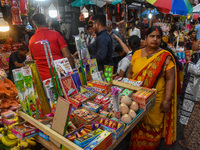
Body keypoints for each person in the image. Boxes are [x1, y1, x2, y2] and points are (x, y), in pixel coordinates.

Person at [127, 26, 177, 150]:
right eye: (152, 36)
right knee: (136, 122)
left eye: (158, 37)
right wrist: (129, 89)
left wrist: (167, 100)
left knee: (153, 125)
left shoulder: (165, 56)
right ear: (145, 38)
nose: (155, 39)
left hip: (156, 99)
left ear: (161, 39)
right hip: (136, 97)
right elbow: (129, 72)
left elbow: (170, 79)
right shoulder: (137, 53)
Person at [29, 13, 74, 81]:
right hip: (60, 75)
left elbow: (33, 59)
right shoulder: (56, 34)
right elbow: (67, 56)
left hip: (43, 79)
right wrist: (72, 72)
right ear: (46, 23)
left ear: (34, 26)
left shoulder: (31, 40)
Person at [179, 58, 200, 150]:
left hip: (196, 94)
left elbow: (198, 70)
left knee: (194, 119)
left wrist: (189, 64)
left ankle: (192, 144)